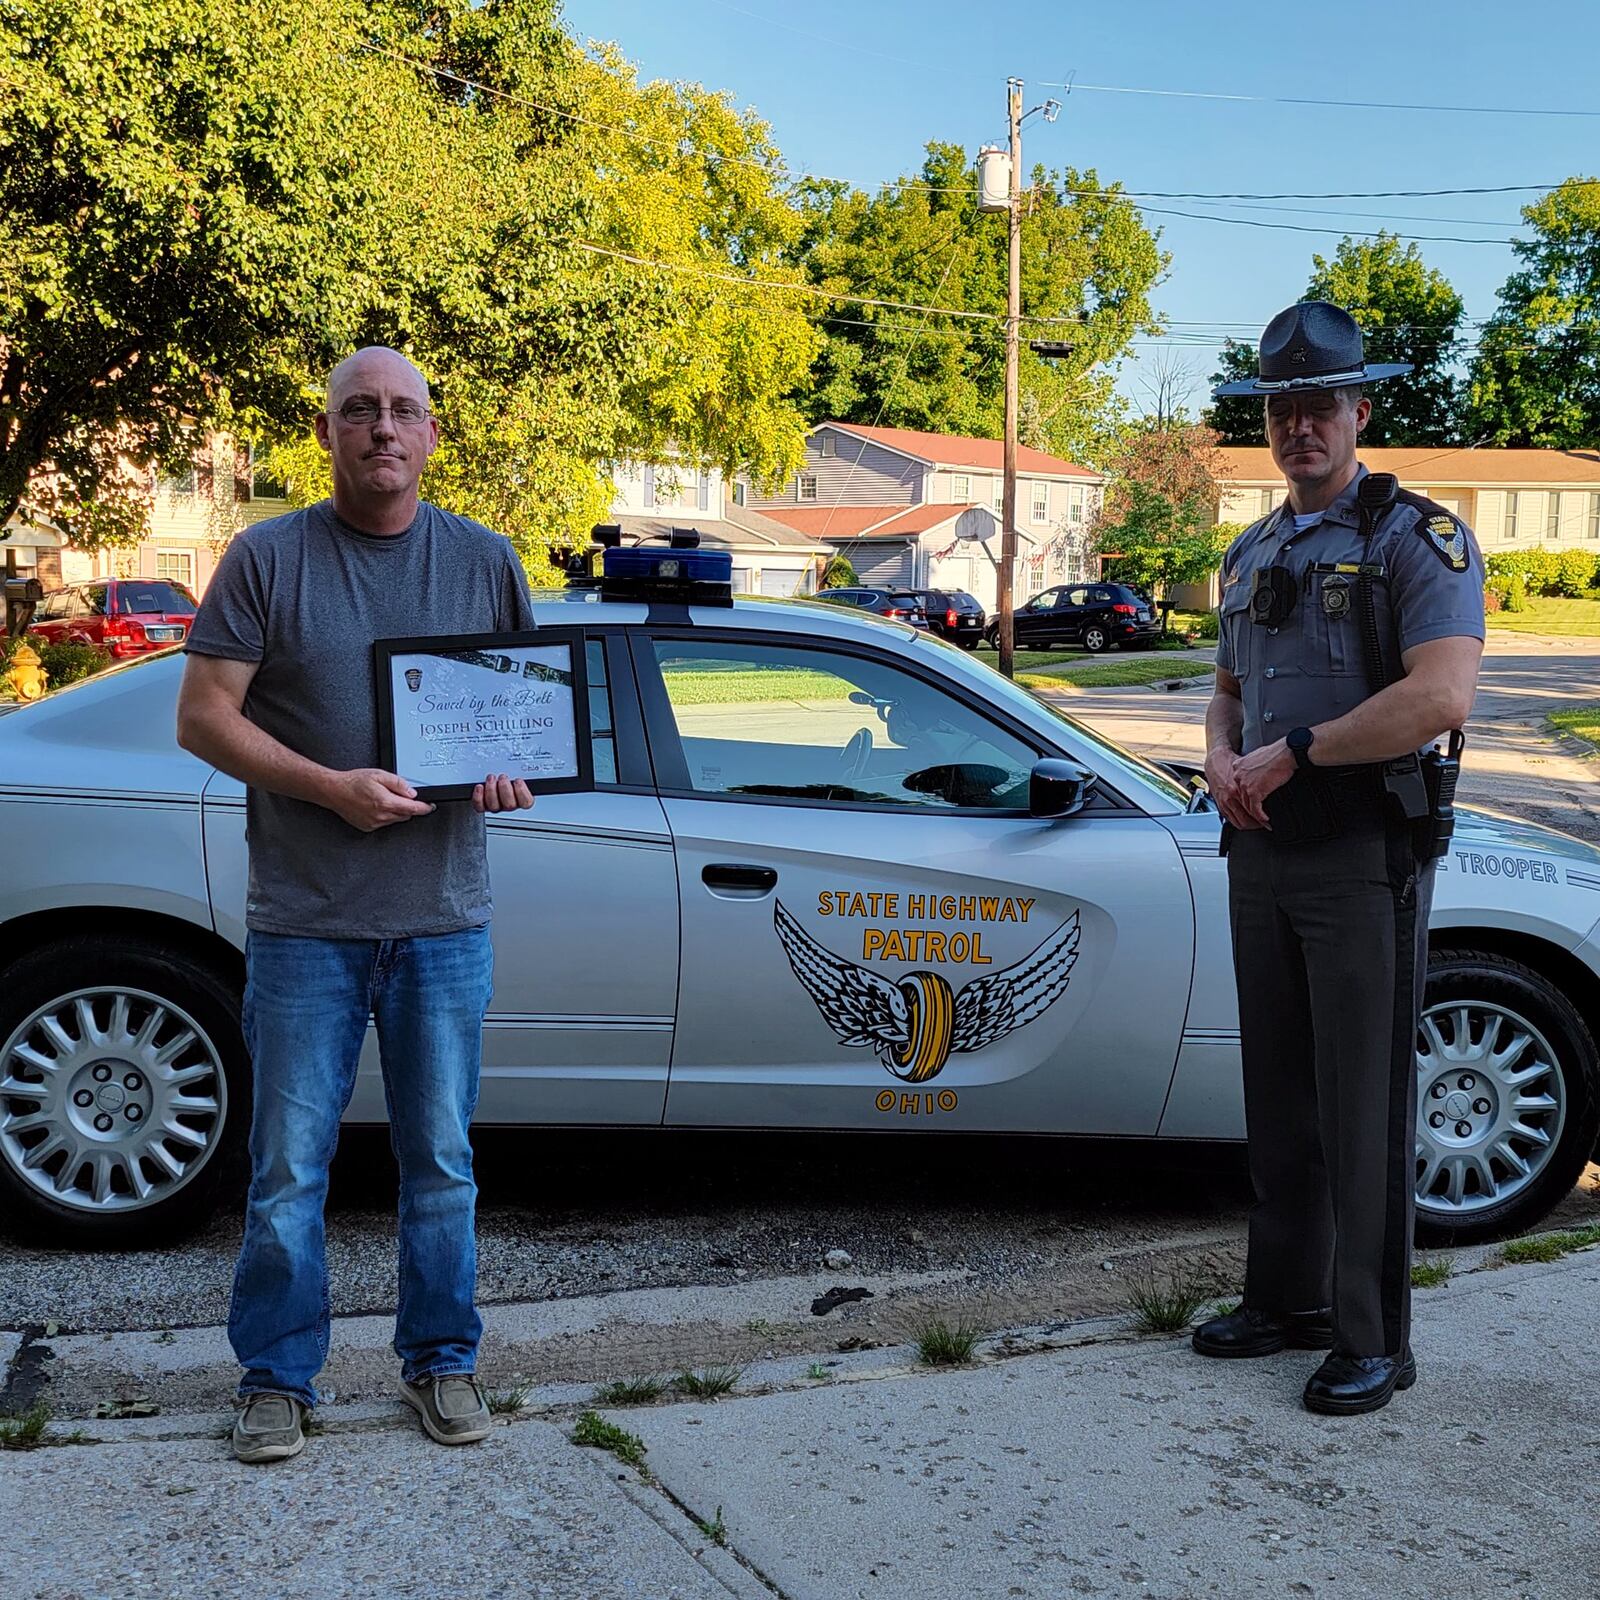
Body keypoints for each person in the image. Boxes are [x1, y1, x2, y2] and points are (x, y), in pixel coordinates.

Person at [177, 347, 536, 1463]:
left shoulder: (484, 561)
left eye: (404, 412)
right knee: (288, 1169)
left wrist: (510, 772)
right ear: (326, 432)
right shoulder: (266, 558)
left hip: (443, 919)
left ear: (434, 435)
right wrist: (329, 789)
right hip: (305, 924)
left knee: (441, 1163)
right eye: (360, 411)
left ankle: (443, 1362)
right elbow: (202, 717)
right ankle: (277, 1378)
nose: (383, 428)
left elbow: (523, 717)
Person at [1191, 301, 1485, 1415]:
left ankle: (1372, 1337)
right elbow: (1222, 691)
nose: (1300, 424)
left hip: (1363, 850)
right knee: (1279, 1093)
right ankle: (1286, 1301)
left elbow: (1439, 694)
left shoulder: (1414, 537)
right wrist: (1224, 759)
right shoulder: (1251, 549)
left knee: (1360, 1100)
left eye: (1321, 403)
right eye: (1281, 406)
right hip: (1258, 847)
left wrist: (1292, 753)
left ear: (1361, 409)